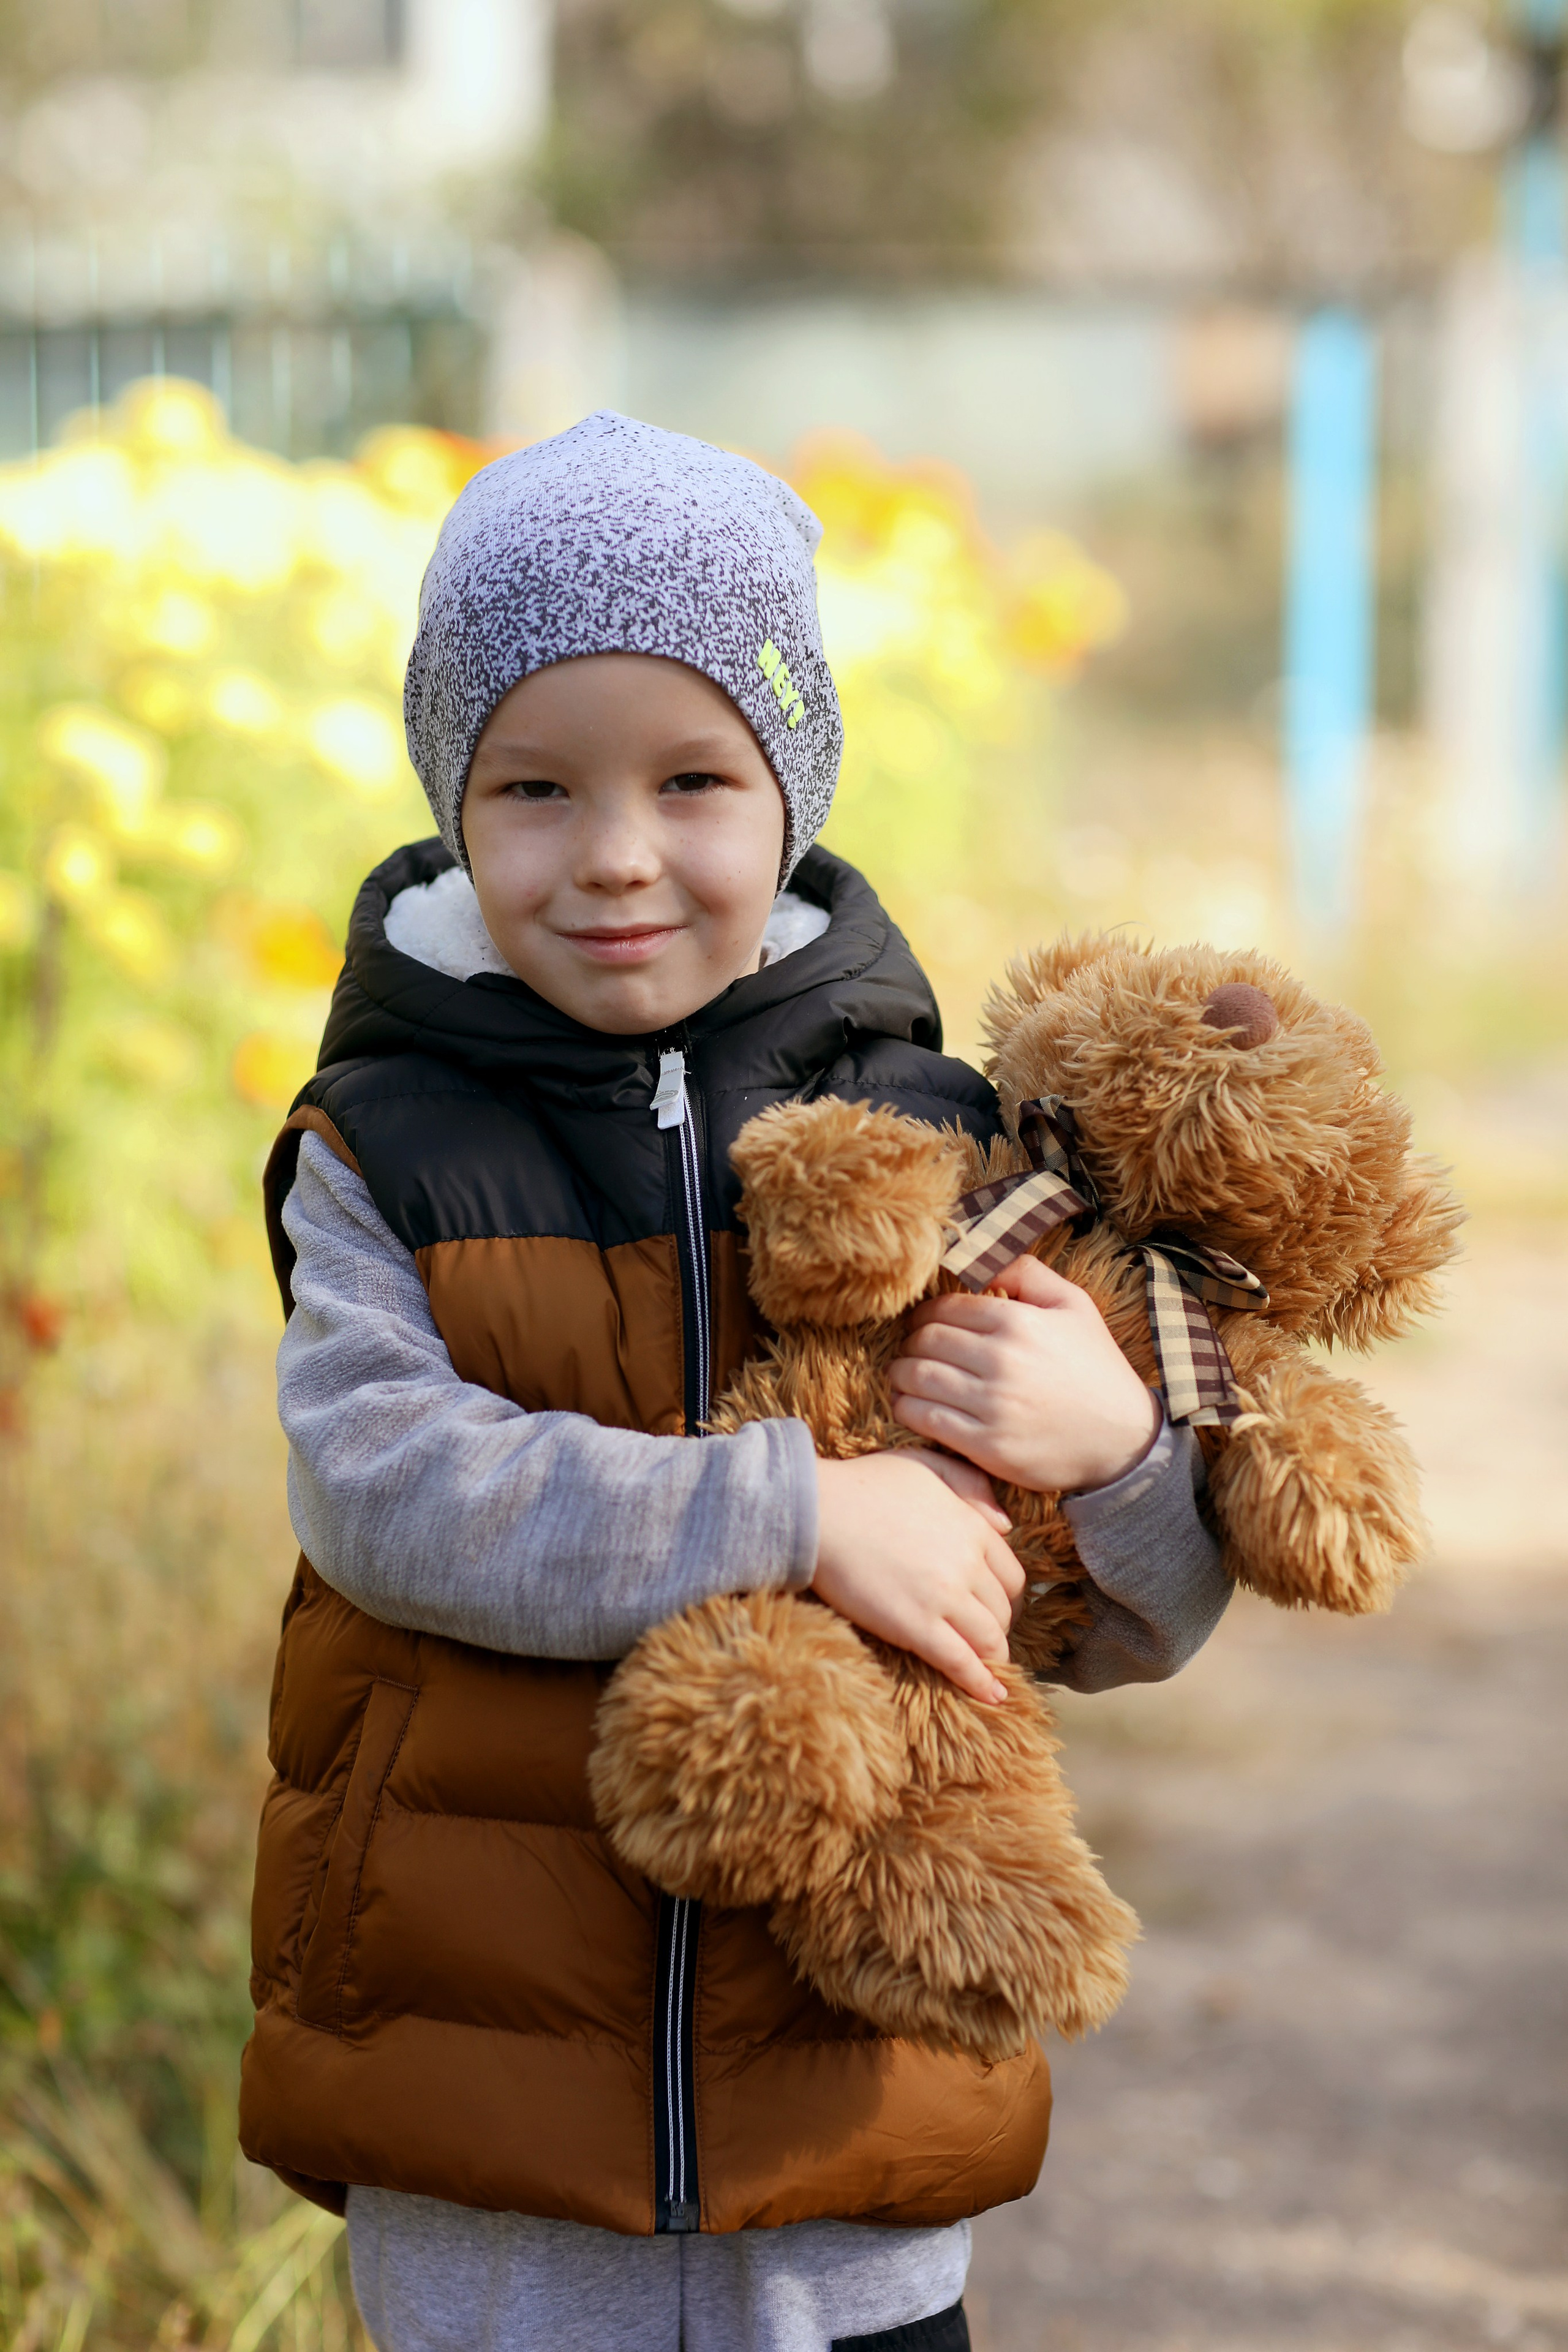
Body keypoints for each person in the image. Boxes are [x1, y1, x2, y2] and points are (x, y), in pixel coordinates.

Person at [239, 412, 1230, 2352]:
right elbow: (386, 1491)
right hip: (487, 2154)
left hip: (843, 2131)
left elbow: (1127, 1625)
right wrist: (794, 1509)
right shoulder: (384, 1144)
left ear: (794, 788)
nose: (614, 856)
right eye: (533, 786)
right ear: (454, 795)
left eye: (694, 778)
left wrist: (1117, 1453)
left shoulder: (947, 1145)